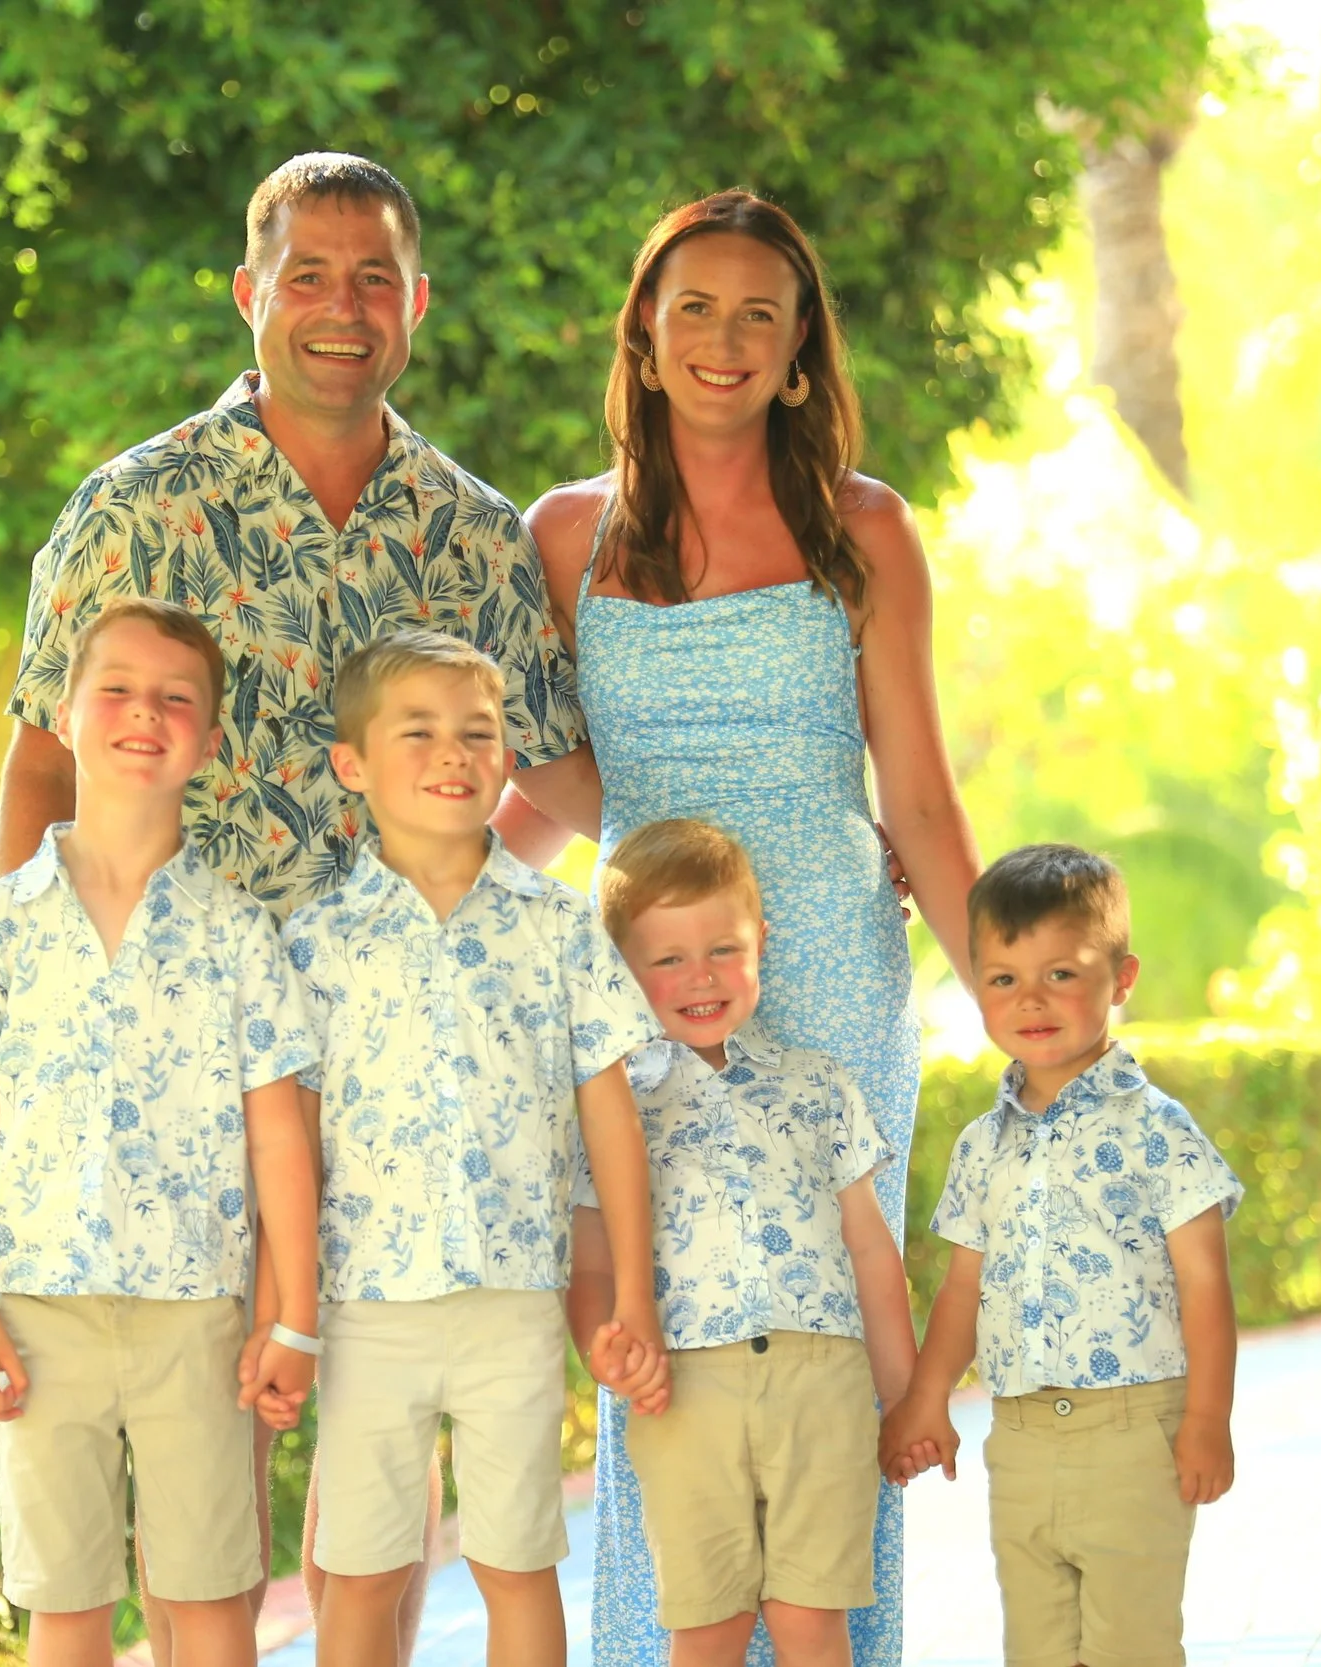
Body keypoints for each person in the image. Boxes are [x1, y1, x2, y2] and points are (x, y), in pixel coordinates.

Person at [0, 152, 598, 1659]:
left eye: (375, 275)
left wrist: (473, 897)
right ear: (251, 291)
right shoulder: (137, 508)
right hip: (190, 1056)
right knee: (212, 1454)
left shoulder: (474, 534)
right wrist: (35, 1008)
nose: (343, 307)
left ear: (419, 300)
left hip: (406, 1061)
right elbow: (36, 770)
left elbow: (557, 768)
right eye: (310, 275)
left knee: (374, 1472)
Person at [494, 189, 981, 1666]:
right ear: (643, 336)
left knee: (832, 1357)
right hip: (643, 994)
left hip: (827, 970)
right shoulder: (562, 534)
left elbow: (928, 806)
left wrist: (1038, 1033)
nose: (723, 338)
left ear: (798, 351)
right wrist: (461, 907)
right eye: (693, 307)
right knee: (669, 1346)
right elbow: (538, 772)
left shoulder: (866, 527)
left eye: (759, 313)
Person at [0, 598, 324, 1667]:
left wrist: (291, 1316)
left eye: (176, 697)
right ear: (65, 710)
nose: (145, 713)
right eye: (119, 689)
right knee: (66, 1606)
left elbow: (280, 1139)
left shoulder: (236, 931)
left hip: (200, 1317)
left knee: (213, 1599)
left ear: (208, 736)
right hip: (42, 1314)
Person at [281, 631, 665, 1667]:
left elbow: (611, 1122)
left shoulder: (558, 926)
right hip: (369, 1307)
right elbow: (285, 1145)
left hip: (515, 1303)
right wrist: (285, 1309)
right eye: (420, 731)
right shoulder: (315, 939)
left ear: (505, 757)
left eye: (479, 732)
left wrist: (631, 1288)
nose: (454, 751)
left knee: (517, 1562)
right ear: (353, 764)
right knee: (361, 1566)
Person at [570, 819, 923, 1667]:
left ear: (762, 942)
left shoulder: (820, 1085)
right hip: (685, 1390)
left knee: (812, 1619)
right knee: (708, 1625)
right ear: (623, 970)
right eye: (668, 959)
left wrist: (907, 1396)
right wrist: (602, 1349)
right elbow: (589, 1263)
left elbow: (873, 1254)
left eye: (724, 949)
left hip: (823, 1386)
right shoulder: (615, 1109)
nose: (701, 977)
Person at [884, 843, 1243, 1667]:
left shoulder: (1158, 1130)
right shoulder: (983, 1145)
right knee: (1039, 1650)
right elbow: (964, 1287)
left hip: (1134, 1433)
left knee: (1132, 1648)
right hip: (1020, 1436)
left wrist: (1207, 1420)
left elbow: (1204, 1285)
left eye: (1063, 974)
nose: (1031, 999)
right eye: (1003, 978)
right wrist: (926, 1398)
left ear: (1122, 977)